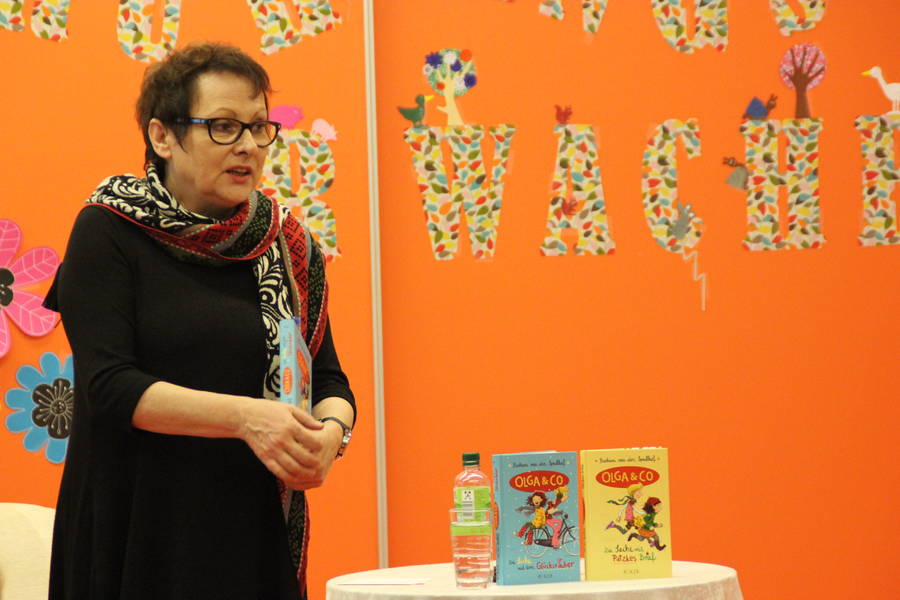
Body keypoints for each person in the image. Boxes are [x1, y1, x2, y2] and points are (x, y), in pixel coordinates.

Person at [42, 42, 356, 600]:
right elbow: (109, 386)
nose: (248, 146)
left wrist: (330, 436)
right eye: (223, 127)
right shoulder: (108, 229)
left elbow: (329, 380)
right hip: (135, 528)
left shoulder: (287, 246)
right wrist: (248, 419)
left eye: (259, 127)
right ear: (162, 136)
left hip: (249, 533)